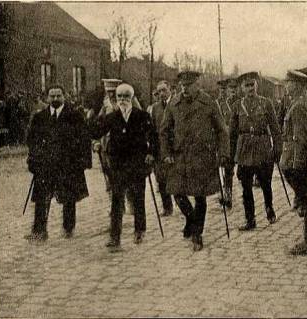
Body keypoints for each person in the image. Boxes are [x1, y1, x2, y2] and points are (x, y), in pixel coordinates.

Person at [159, 71, 229, 251]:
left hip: (202, 156)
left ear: (197, 85)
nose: (185, 89)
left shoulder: (208, 103)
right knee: (176, 192)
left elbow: (222, 130)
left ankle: (197, 233)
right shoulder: (174, 104)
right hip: (180, 157)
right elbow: (164, 131)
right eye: (182, 86)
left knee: (200, 196)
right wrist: (166, 152)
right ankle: (191, 219)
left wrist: (223, 153)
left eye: (188, 86)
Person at [89, 83, 157, 252]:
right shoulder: (112, 117)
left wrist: (150, 153)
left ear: (132, 98)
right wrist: (95, 143)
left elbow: (153, 137)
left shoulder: (142, 116)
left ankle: (139, 229)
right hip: (118, 165)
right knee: (117, 200)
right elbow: (96, 132)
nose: (122, 100)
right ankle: (115, 237)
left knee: (138, 197)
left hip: (137, 163)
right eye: (120, 97)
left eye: (126, 97)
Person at [25, 84, 91, 241]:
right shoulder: (40, 117)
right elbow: (32, 141)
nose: (55, 99)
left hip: (68, 165)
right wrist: (33, 160)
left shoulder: (74, 116)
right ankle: (39, 231)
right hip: (45, 165)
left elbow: (84, 139)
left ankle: (69, 228)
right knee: (41, 197)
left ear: (64, 96)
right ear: (47, 97)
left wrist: (83, 161)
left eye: (58, 96)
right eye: (52, 96)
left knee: (69, 197)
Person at [229, 71, 282, 231]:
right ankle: (250, 219)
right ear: (241, 88)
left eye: (252, 85)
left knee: (265, 182)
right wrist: (230, 155)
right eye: (247, 85)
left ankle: (269, 207)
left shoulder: (266, 104)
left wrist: (277, 148)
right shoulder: (237, 106)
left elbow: (275, 128)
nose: (250, 88)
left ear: (256, 86)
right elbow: (232, 133)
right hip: (244, 149)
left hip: (263, 148)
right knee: (245, 186)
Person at [280, 70, 307, 255]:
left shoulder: (299, 107)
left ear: (297, 85)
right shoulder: (305, 103)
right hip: (306, 157)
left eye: (288, 83)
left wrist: (297, 166)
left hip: (301, 159)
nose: (286, 86)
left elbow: (300, 139)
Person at [147, 80, 178, 217]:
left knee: (176, 177)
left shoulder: (177, 104)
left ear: (170, 89)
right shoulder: (155, 108)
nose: (161, 94)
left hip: (175, 148)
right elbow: (152, 131)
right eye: (159, 91)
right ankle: (167, 207)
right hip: (159, 148)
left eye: (164, 90)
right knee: (161, 178)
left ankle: (181, 203)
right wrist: (152, 151)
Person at [215, 78, 237, 208]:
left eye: (226, 89)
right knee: (218, 167)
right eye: (222, 90)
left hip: (231, 141)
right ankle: (221, 191)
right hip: (219, 140)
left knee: (229, 168)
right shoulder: (216, 104)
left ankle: (228, 193)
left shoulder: (234, 104)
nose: (223, 92)